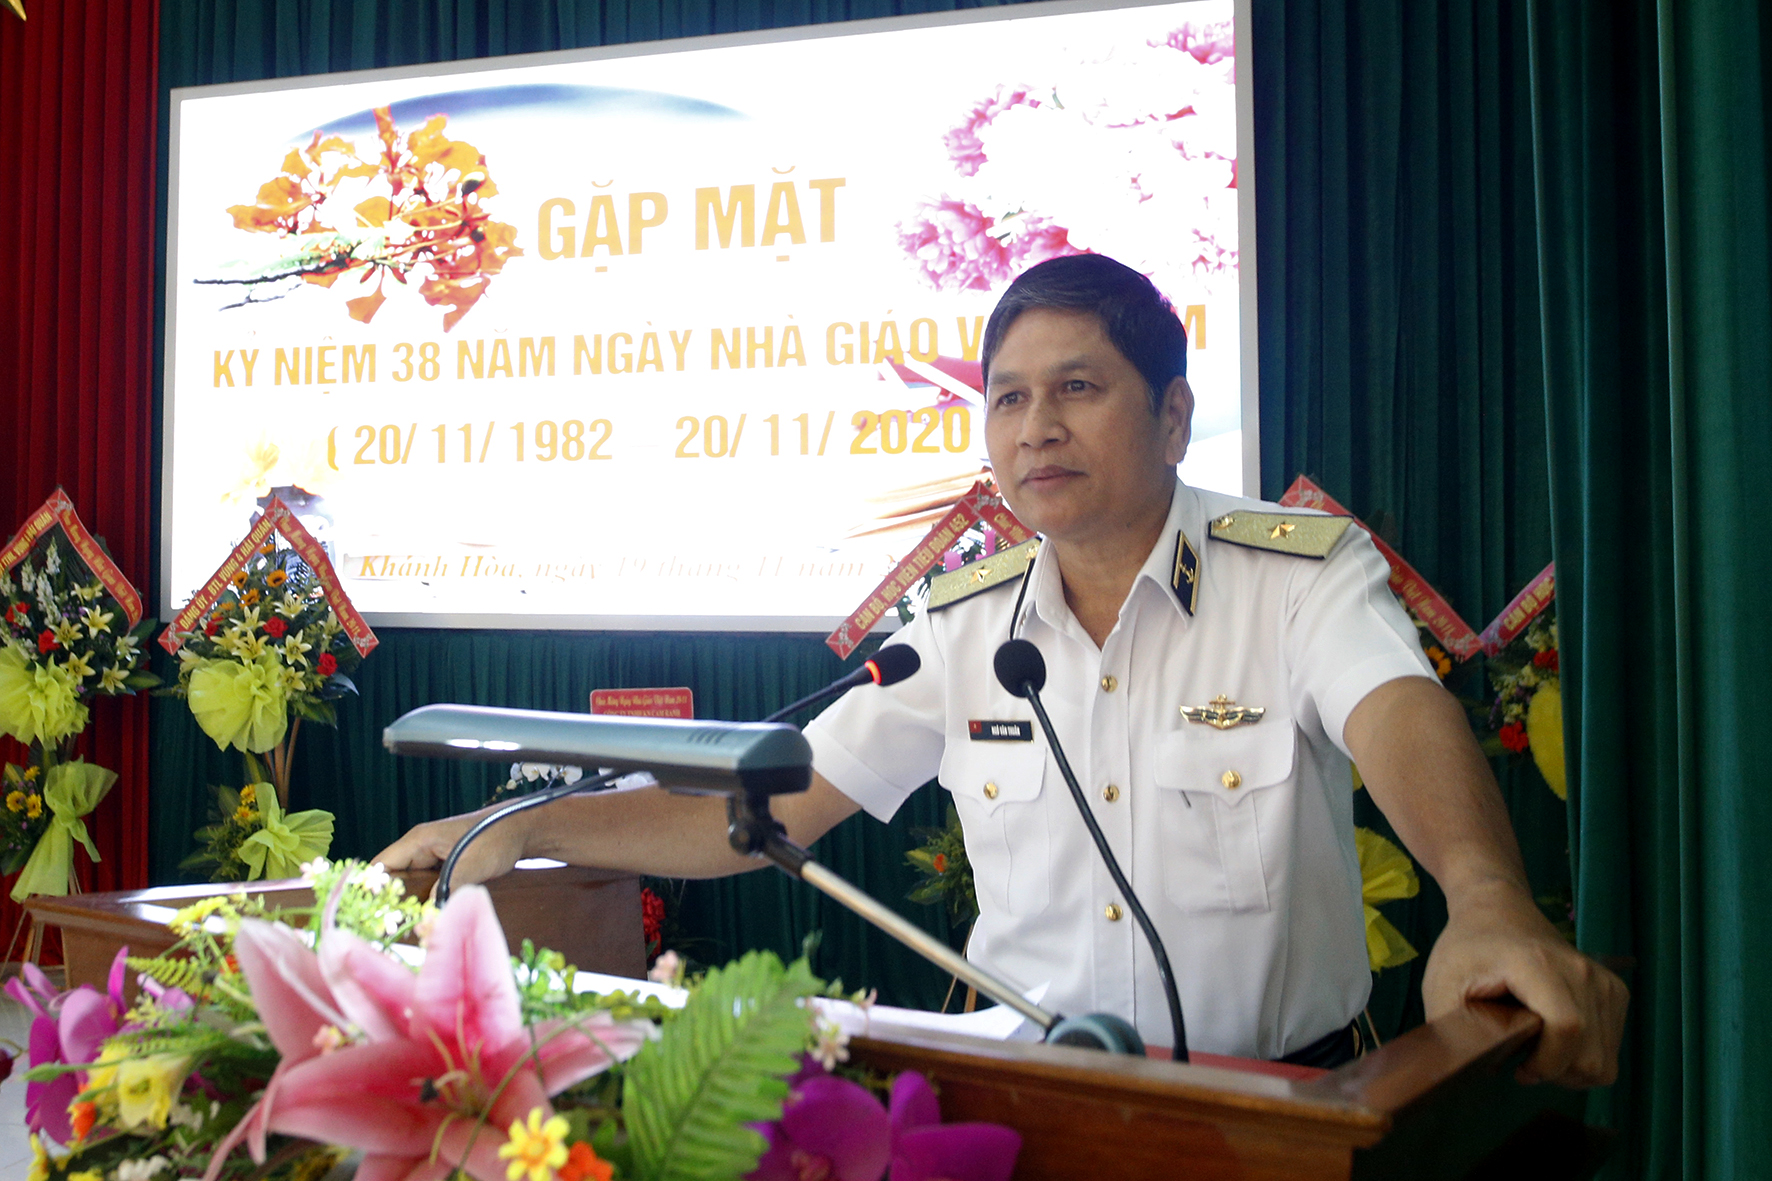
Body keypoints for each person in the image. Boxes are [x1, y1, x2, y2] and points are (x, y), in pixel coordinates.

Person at [377, 254, 1626, 1083]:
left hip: (1279, 1107)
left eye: (1077, 387)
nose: (1036, 428)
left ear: (1172, 415)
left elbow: (1392, 707)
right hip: (1038, 1104)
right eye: (1008, 397)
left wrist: (1483, 895)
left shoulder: (1292, 575)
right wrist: (517, 825)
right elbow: (758, 811)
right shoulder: (960, 623)